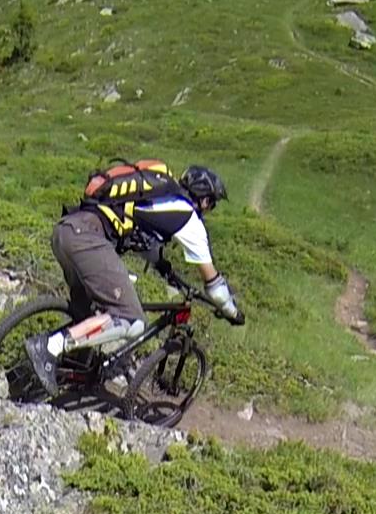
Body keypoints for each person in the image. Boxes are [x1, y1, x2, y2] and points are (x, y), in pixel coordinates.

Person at [28, 161, 242, 395]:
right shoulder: (189, 218)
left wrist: (165, 269)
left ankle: (68, 370)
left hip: (67, 230)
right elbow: (214, 286)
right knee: (131, 319)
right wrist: (232, 312)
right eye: (212, 204)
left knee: (86, 312)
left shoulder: (158, 198)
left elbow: (145, 243)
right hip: (88, 240)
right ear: (205, 200)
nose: (209, 209)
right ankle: (49, 347)